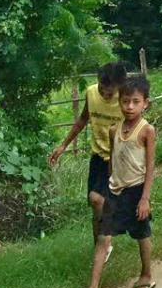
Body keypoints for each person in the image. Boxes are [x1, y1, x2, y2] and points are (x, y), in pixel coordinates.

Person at [72, 72, 157, 288]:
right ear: (119, 102)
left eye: (135, 102)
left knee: (142, 234)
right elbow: (112, 161)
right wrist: (109, 187)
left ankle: (146, 275)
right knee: (103, 237)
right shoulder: (113, 130)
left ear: (145, 103)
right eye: (125, 101)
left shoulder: (146, 130)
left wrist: (145, 199)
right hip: (115, 191)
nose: (129, 107)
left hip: (136, 191)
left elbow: (150, 167)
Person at [49, 61, 127, 246]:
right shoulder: (91, 93)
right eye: (102, 88)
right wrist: (63, 145)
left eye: (110, 93)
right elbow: (83, 118)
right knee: (95, 203)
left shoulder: (127, 101)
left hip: (121, 160)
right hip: (99, 157)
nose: (104, 95)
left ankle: (105, 243)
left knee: (104, 204)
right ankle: (100, 248)